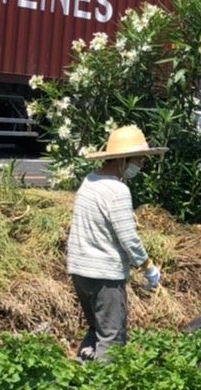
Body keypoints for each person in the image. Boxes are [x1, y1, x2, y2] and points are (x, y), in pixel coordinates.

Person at [67, 125, 164, 360]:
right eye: (139, 160)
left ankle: (79, 377)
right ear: (124, 160)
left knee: (96, 329)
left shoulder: (90, 180)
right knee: (112, 337)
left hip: (80, 269)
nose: (140, 166)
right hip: (105, 275)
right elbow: (128, 237)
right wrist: (147, 266)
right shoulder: (117, 189)